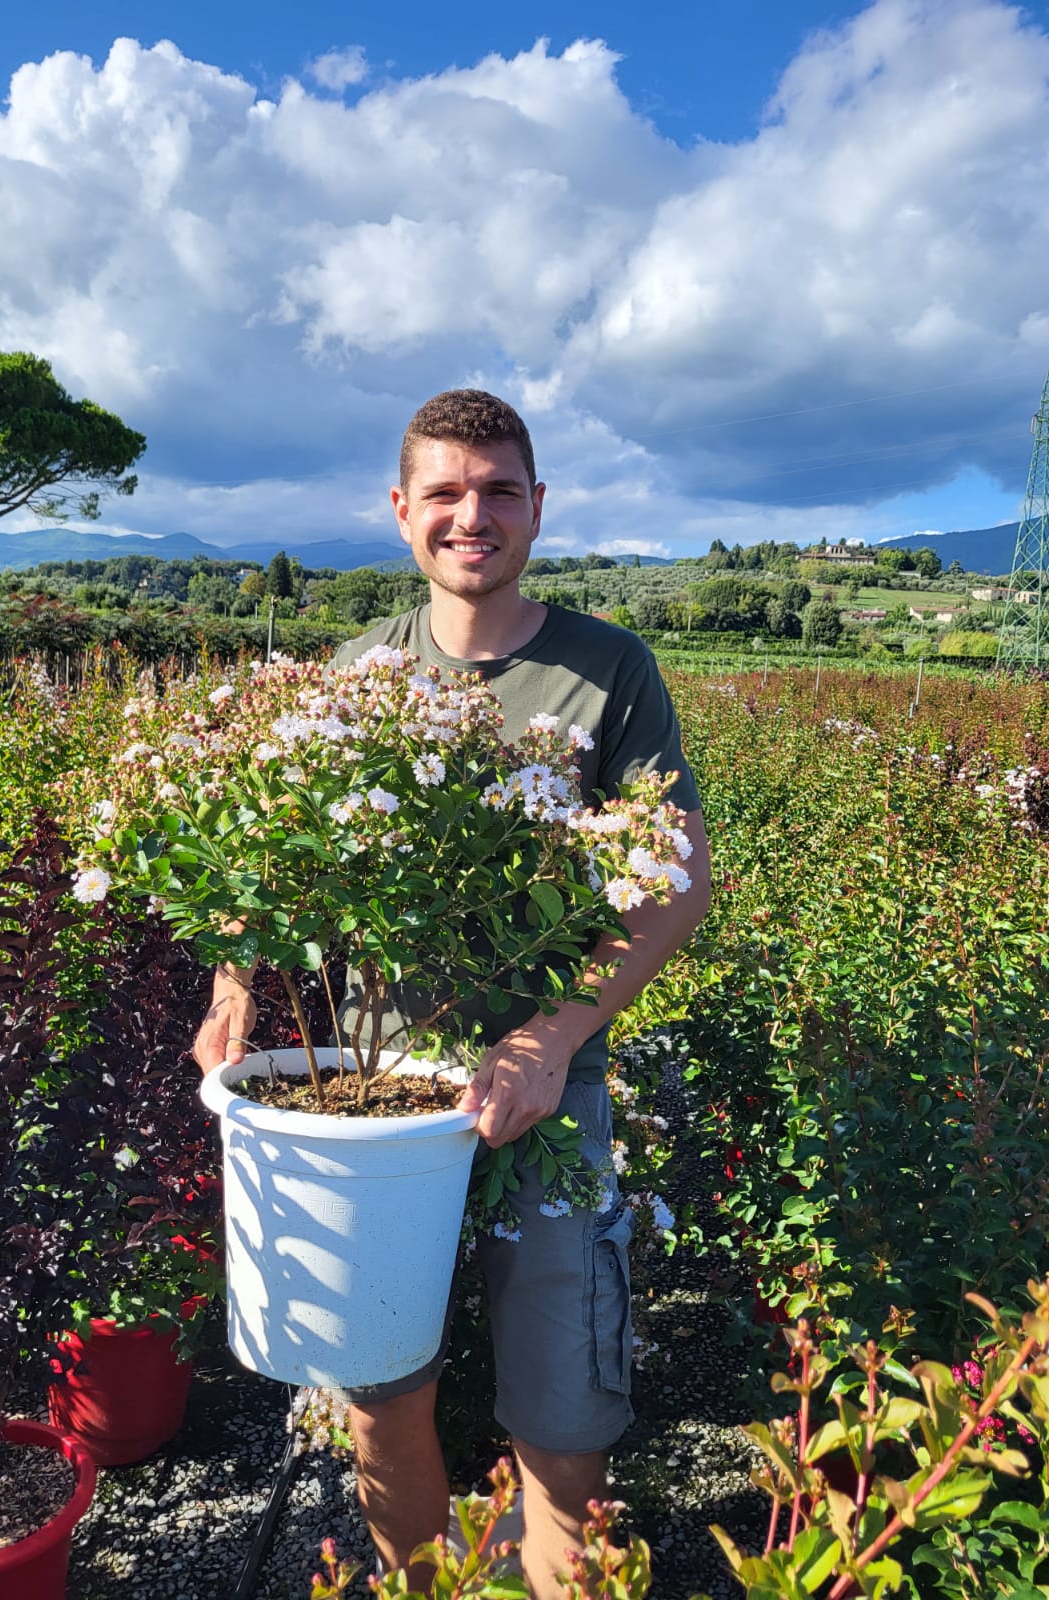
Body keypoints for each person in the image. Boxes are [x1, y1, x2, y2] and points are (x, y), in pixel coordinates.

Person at [194, 390, 710, 1599]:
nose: (471, 514)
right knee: (384, 1401)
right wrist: (234, 987)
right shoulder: (357, 673)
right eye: (445, 491)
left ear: (538, 507)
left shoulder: (604, 674)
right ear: (401, 509)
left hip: (549, 1096)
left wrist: (556, 1028)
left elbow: (672, 886)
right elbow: (269, 863)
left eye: (498, 490)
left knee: (563, 1423)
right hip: (375, 1103)